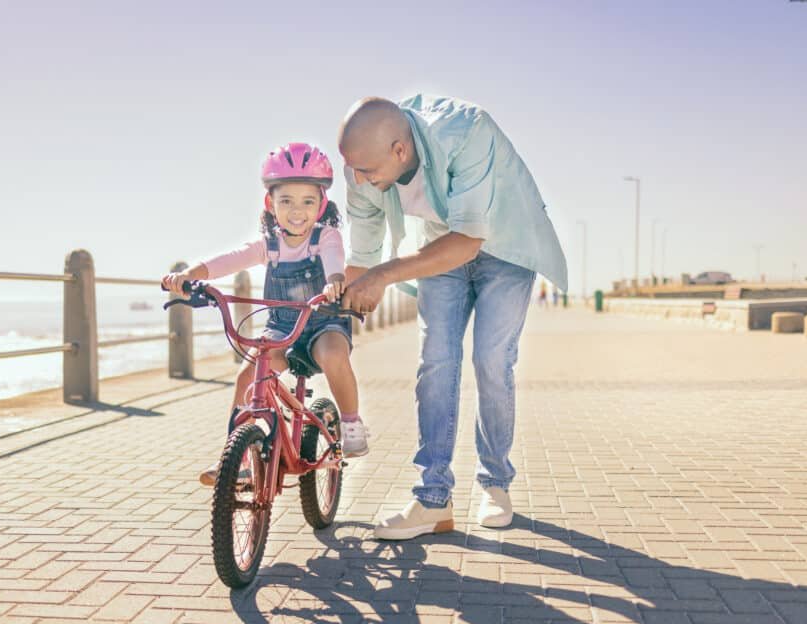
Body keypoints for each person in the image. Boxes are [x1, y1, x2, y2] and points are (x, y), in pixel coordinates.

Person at [337, 95, 567, 538]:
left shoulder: (466, 132)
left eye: (366, 171)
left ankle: (496, 485)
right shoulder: (361, 168)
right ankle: (432, 501)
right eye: (353, 170)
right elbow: (362, 255)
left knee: (491, 360)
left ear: (399, 151)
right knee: (436, 361)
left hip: (504, 245)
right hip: (438, 247)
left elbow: (467, 241)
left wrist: (384, 275)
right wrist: (344, 312)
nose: (359, 180)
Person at [161, 143, 369, 486]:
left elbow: (334, 259)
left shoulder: (325, 236)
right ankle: (236, 456)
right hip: (281, 328)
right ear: (270, 204)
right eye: (286, 200)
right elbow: (230, 258)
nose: (296, 210)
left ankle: (350, 422)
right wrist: (191, 275)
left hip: (322, 322)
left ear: (321, 205)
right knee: (248, 375)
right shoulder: (268, 245)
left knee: (333, 353)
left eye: (307, 201)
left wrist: (335, 282)